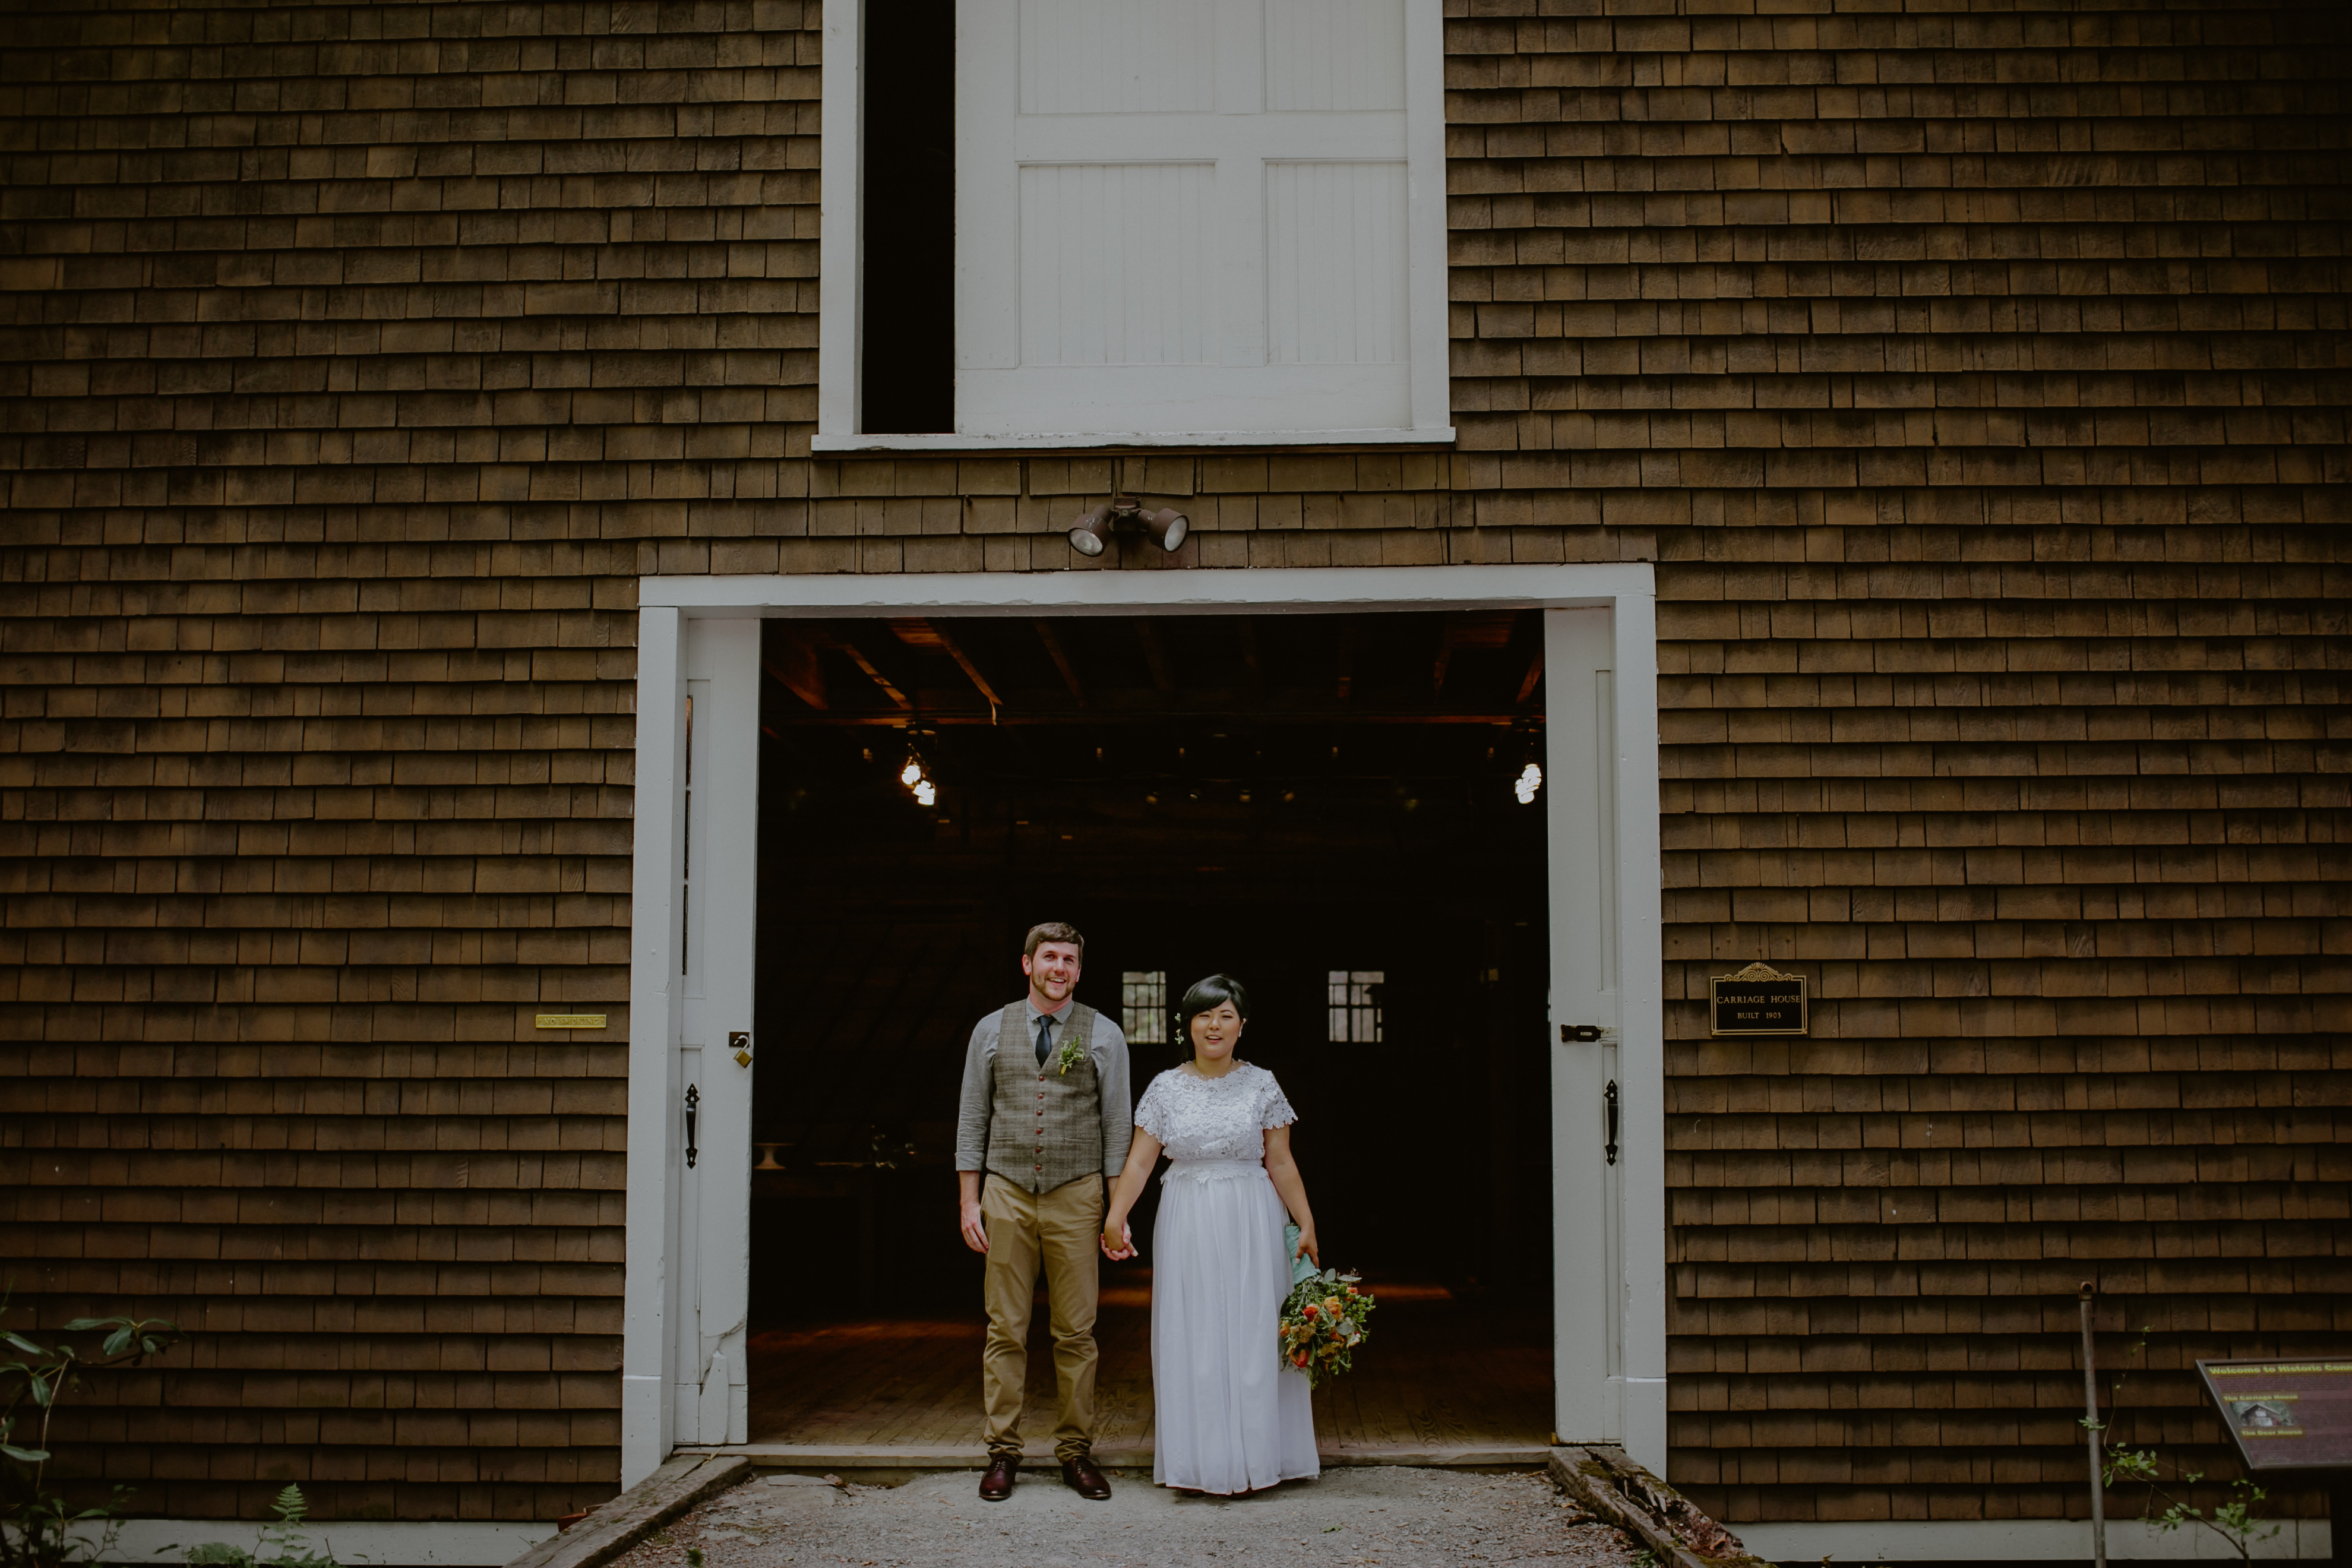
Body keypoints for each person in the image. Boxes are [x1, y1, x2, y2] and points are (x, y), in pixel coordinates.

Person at [1101, 973, 1321, 1496]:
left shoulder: (1262, 1083)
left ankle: (1264, 1455)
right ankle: (1203, 1461)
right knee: (1194, 1330)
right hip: (1188, 1215)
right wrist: (1116, 1215)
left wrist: (1305, 1219)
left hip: (1252, 1212)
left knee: (1254, 1330)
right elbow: (1139, 1162)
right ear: (1189, 1025)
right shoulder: (1165, 1087)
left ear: (1242, 1026)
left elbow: (1281, 1159)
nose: (1214, 1025)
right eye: (1204, 1015)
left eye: (1225, 1015)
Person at [954, 921, 1133, 1503]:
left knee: (1075, 1332)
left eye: (1070, 960)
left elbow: (1117, 1128)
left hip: (1077, 1192)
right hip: (1004, 1190)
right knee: (1005, 1327)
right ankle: (1002, 1452)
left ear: (1080, 971)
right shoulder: (989, 1030)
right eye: (1050, 957)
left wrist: (1116, 1209)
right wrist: (968, 1199)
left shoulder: (1104, 1034)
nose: (1060, 968)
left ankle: (1075, 1453)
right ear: (1027, 964)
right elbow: (972, 1118)